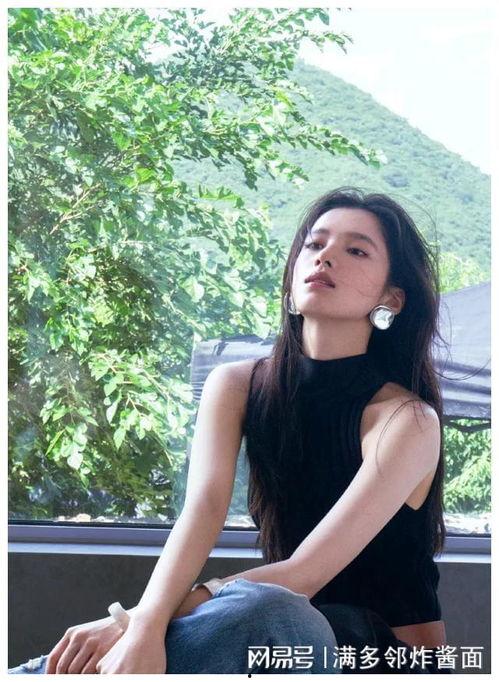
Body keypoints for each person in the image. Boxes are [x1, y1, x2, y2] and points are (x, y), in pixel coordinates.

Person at [9, 187, 452, 674]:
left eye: (356, 250)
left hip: (380, 657)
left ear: (392, 298)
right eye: (314, 243)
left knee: (269, 609)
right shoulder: (237, 385)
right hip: (266, 643)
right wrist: (145, 623)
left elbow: (302, 575)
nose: (325, 256)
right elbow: (202, 510)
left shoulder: (406, 420)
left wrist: (130, 622)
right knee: (224, 621)